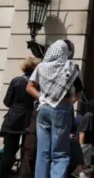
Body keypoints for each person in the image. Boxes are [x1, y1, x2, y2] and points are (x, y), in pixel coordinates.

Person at [26, 39, 83, 178]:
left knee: (43, 152)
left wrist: (41, 97)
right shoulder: (71, 68)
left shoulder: (41, 66)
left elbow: (29, 87)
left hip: (43, 109)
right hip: (61, 109)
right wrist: (70, 101)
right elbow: (79, 90)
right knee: (60, 153)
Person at [0, 57, 40, 178]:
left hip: (13, 121)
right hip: (29, 121)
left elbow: (7, 101)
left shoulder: (16, 81)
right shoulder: (37, 84)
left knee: (8, 153)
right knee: (26, 154)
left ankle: (2, 176)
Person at [78, 99, 94, 171]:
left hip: (92, 145)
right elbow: (82, 132)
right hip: (87, 147)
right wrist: (82, 147)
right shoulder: (89, 116)